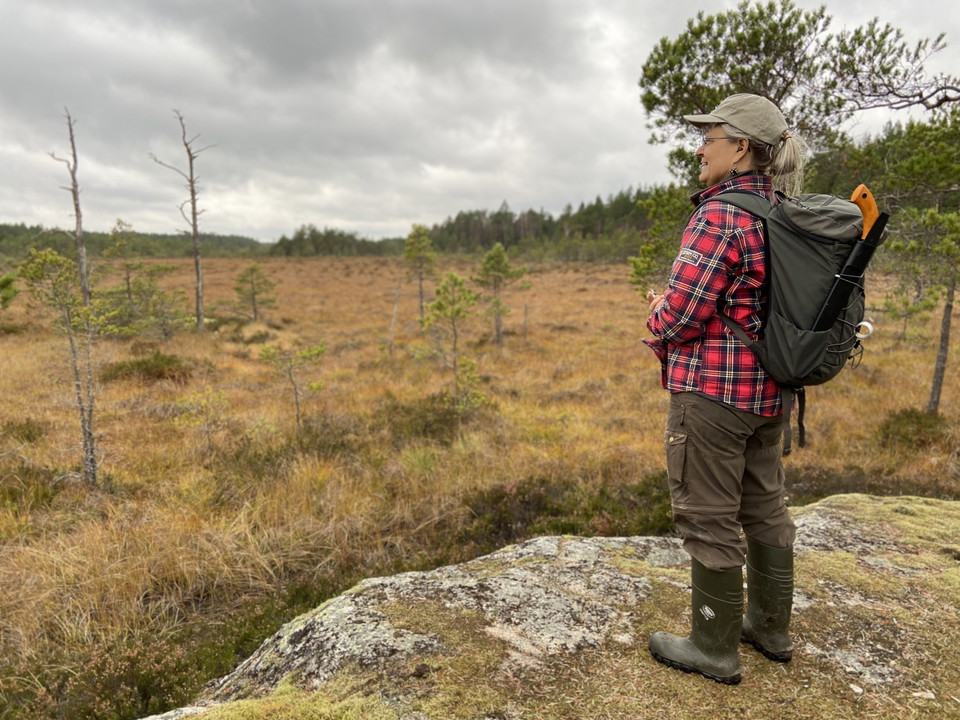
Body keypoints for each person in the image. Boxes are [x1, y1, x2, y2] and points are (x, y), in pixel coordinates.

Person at [644, 94, 808, 684]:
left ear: (740, 147)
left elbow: (685, 312)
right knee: (765, 507)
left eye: (709, 138)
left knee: (708, 515)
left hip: (712, 394)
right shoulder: (782, 213)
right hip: (770, 393)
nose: (698, 147)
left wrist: (657, 316)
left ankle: (713, 647)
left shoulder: (720, 215)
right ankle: (771, 627)